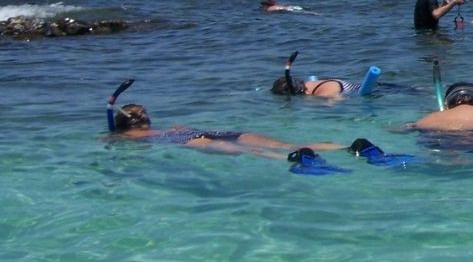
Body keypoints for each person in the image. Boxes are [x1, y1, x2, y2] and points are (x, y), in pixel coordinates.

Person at [108, 103, 344, 158]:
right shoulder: (172, 126)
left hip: (189, 139)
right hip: (217, 131)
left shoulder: (126, 136)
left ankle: (287, 160)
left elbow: (105, 143)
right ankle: (343, 147)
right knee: (287, 144)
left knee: (254, 152)